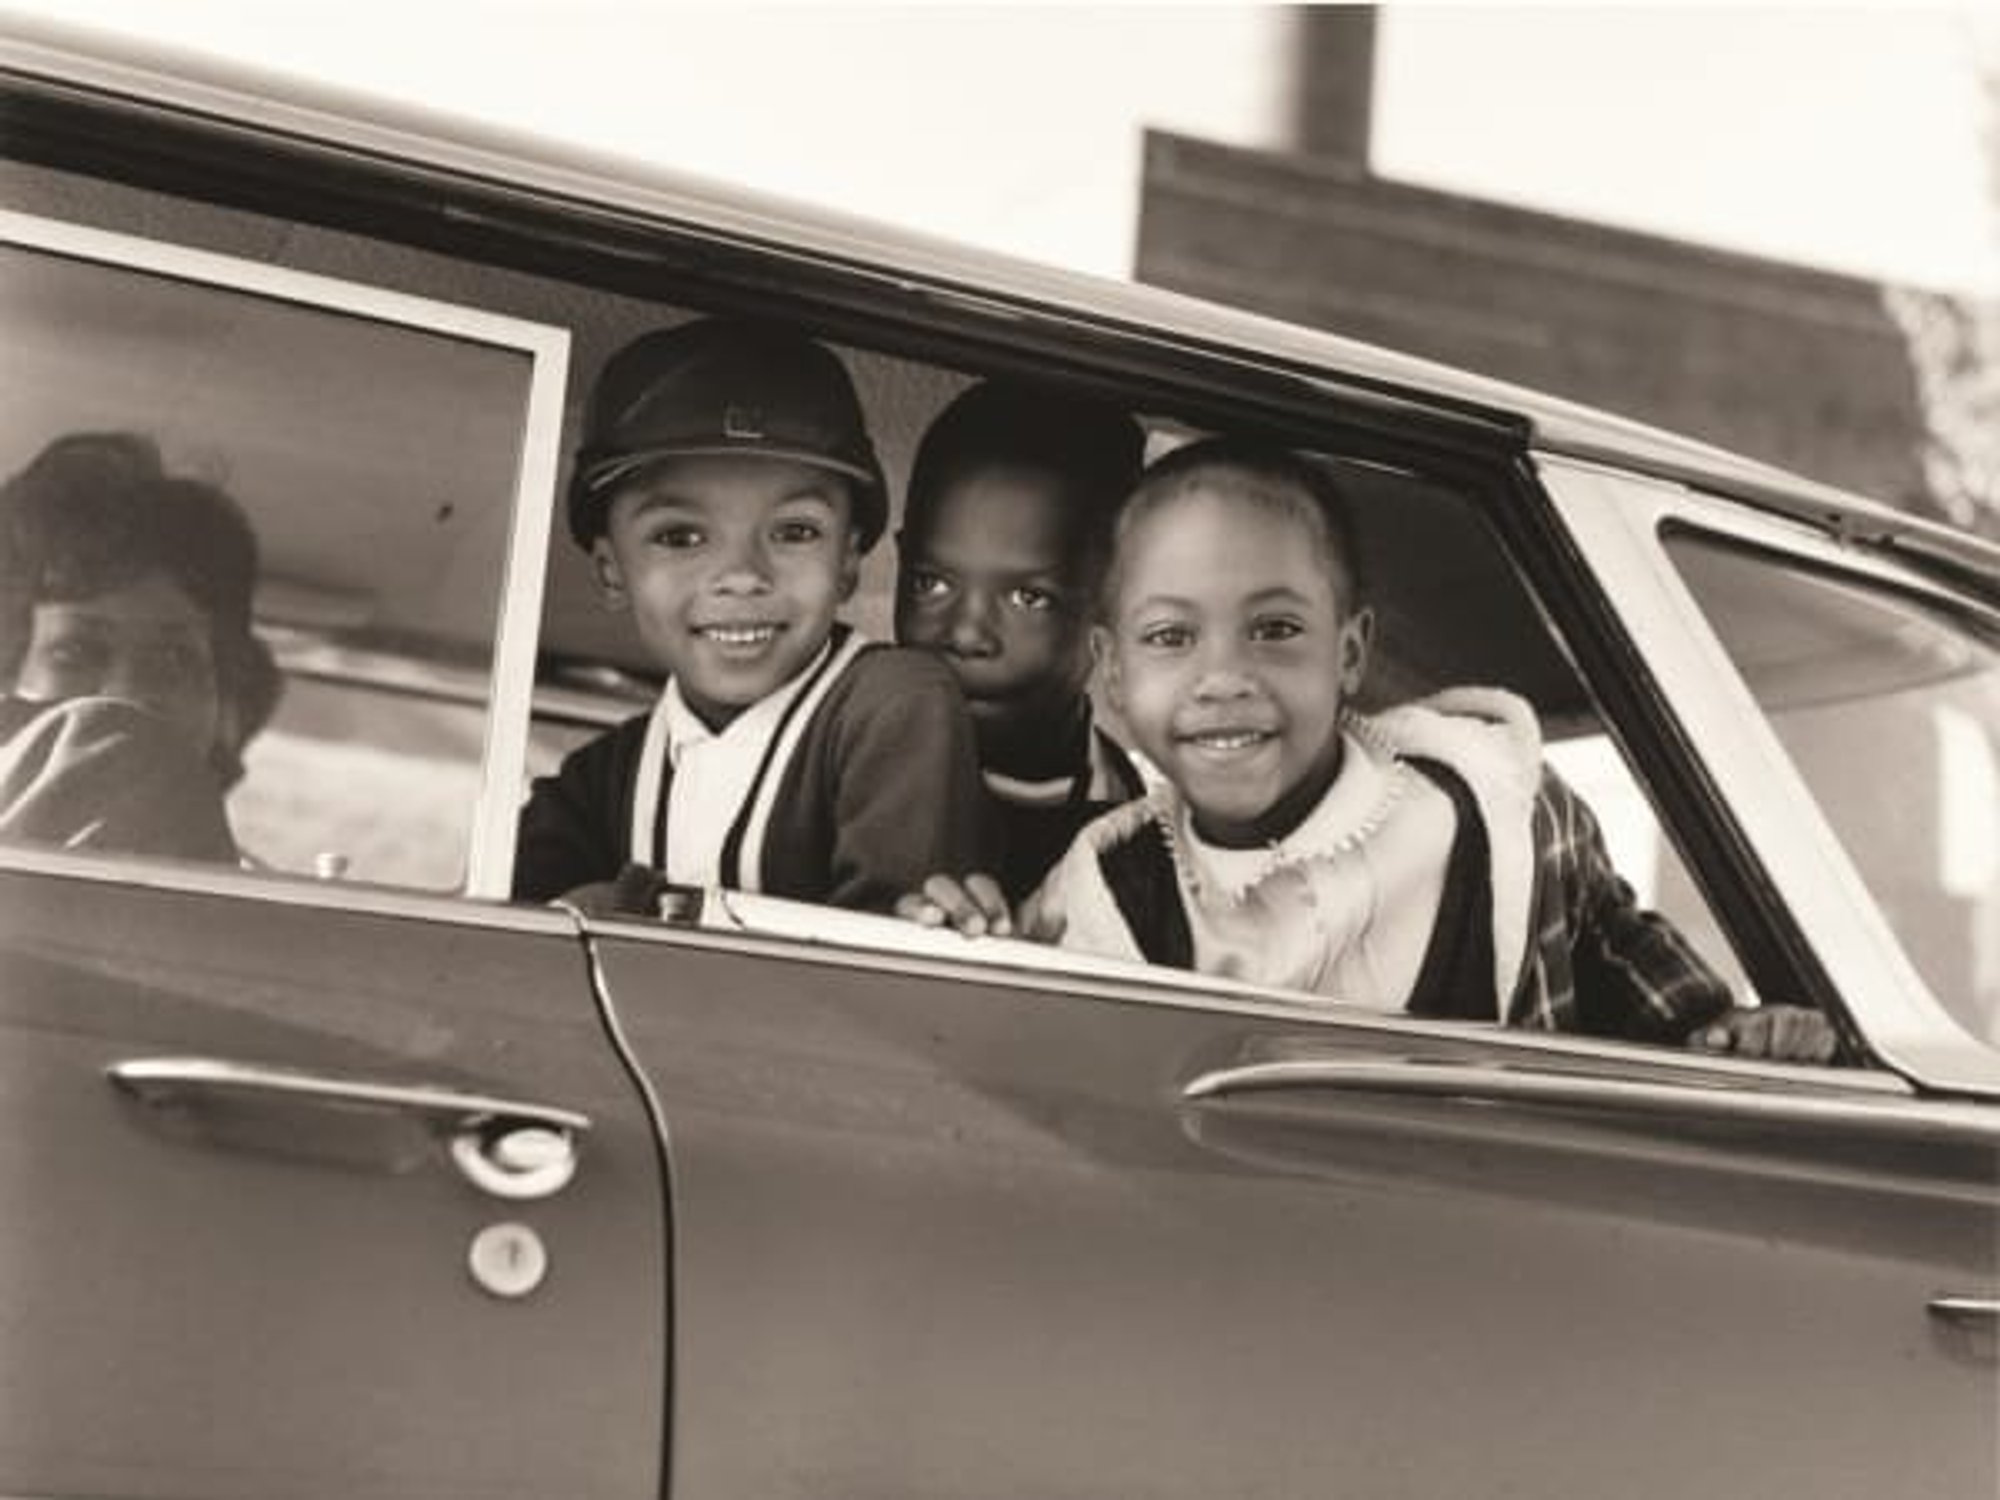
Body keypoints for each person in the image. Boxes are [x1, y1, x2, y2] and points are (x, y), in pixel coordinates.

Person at [902, 436, 1839, 1062]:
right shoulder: (1104, 883)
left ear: (1349, 652)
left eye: (1273, 630)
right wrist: (950, 939)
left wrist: (1734, 1035)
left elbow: (1630, 972)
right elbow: (1003, 1056)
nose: (1223, 678)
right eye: (1170, 638)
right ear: (1110, 673)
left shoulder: (1496, 804)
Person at [512, 316, 987, 914]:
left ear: (849, 560)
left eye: (794, 531)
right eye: (680, 536)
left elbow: (883, 969)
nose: (741, 574)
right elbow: (496, 942)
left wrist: (626, 908)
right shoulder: (603, 779)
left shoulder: (892, 705)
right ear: (612, 571)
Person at [894, 379, 1147, 899]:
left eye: (1029, 599)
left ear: (1116, 606)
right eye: (931, 583)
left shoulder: (1133, 830)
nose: (966, 635)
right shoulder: (827, 759)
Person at [0, 431, 281, 862]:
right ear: (9, 678)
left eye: (172, 659)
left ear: (219, 707)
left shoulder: (268, 918)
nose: (125, 695)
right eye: (76, 652)